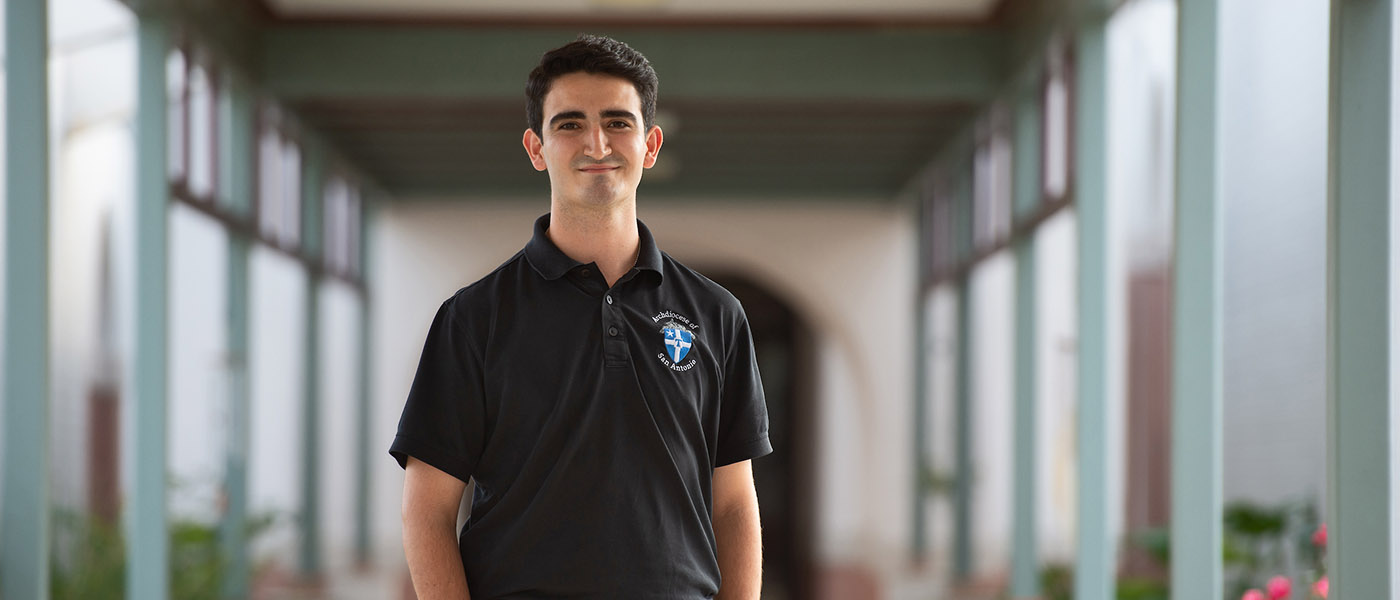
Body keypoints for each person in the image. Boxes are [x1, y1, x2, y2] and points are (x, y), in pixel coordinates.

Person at [390, 34, 772, 599]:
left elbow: (735, 502)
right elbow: (427, 511)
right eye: (569, 124)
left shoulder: (716, 315)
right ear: (535, 148)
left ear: (651, 144)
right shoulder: (472, 319)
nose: (597, 143)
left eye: (618, 122)